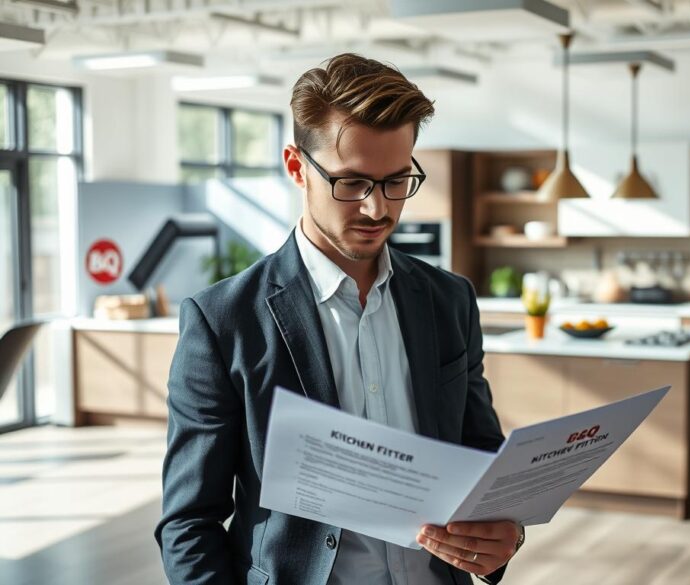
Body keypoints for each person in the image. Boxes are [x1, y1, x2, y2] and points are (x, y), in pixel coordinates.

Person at [155, 54, 523, 585]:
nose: (378, 210)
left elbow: (480, 454)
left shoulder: (450, 300)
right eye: (351, 184)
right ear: (297, 167)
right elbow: (189, 523)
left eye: (397, 180)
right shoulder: (223, 322)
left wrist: (505, 532)